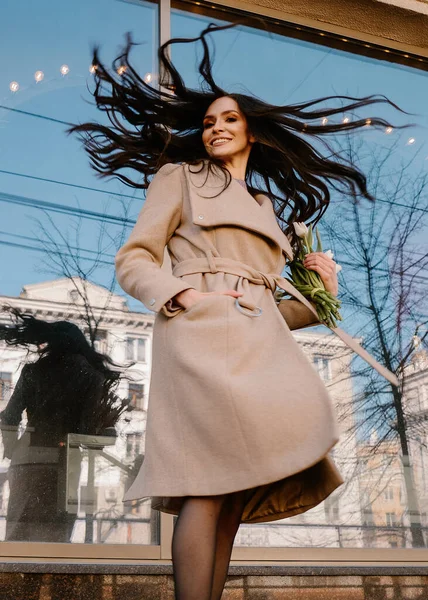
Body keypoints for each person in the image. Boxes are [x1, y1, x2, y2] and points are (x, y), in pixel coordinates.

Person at [69, 23, 401, 599]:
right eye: (209, 121)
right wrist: (189, 298)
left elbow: (278, 311)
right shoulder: (182, 177)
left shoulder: (267, 208)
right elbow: (135, 260)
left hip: (256, 344)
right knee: (205, 483)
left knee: (229, 495)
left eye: (229, 119)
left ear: (251, 130)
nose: (217, 128)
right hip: (199, 334)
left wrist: (320, 293)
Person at [0, 307, 125, 542]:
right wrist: (105, 434)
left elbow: (9, 417)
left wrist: (11, 448)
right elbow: (88, 429)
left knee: (19, 527)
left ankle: (16, 576)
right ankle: (52, 576)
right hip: (64, 461)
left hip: (27, 458)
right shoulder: (92, 377)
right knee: (56, 530)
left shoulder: (33, 372)